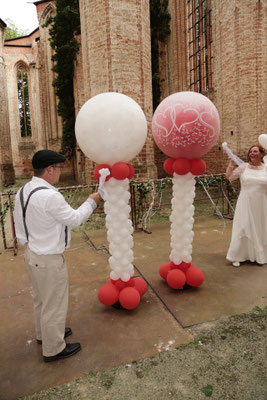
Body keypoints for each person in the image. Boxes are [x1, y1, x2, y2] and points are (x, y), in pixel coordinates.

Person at [14, 150, 100, 362]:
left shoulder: (23, 191)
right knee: (54, 303)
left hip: (32, 252)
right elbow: (75, 219)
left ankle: (45, 334)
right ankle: (54, 348)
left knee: (41, 300)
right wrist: (92, 201)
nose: (61, 172)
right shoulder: (50, 196)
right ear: (50, 169)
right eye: (60, 168)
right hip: (49, 258)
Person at [225, 144, 267, 267]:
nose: (252, 153)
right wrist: (231, 164)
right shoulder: (243, 167)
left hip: (262, 203)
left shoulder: (266, 168)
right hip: (246, 202)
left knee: (260, 227)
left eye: (255, 151)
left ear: (262, 154)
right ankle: (236, 255)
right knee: (242, 227)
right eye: (250, 152)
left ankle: (259, 254)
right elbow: (230, 177)